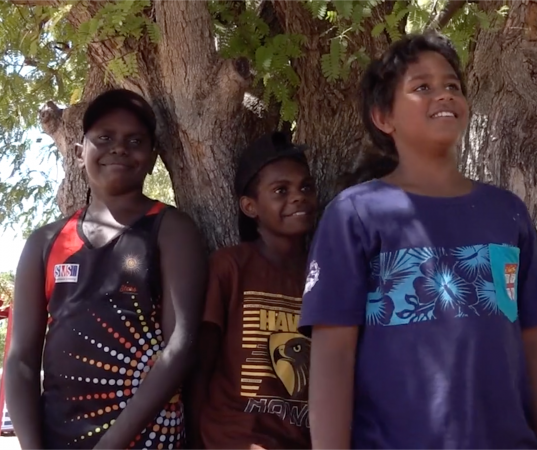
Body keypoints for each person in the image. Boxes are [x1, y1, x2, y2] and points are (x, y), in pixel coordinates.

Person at [299, 32, 537, 450]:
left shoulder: (507, 213)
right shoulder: (354, 214)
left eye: (452, 86)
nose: (442, 95)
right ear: (383, 118)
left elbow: (536, 344)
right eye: (421, 87)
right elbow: (334, 356)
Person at [5, 89, 207, 450]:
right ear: (80, 153)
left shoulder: (172, 230)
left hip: (148, 441)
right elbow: (20, 359)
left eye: (135, 140)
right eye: (104, 138)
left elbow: (182, 345)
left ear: (152, 158)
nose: (119, 147)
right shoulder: (45, 242)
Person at [189, 132, 317, 449]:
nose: (298, 196)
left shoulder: (323, 274)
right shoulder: (230, 267)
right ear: (250, 206)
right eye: (280, 190)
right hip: (234, 438)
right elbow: (201, 362)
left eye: (305, 187)